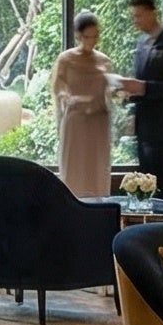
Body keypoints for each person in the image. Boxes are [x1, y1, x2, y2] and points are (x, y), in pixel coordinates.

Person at [118, 0, 163, 203]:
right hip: (144, 127)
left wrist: (144, 88)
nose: (135, 21)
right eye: (133, 16)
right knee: (144, 184)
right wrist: (129, 97)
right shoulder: (141, 44)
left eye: (139, 15)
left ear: (152, 13)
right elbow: (141, 84)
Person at [51, 12, 115, 199]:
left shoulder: (104, 61)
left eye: (95, 36)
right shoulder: (66, 59)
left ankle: (101, 213)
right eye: (88, 37)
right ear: (79, 36)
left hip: (99, 121)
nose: (92, 41)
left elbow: (111, 91)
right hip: (76, 121)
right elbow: (58, 89)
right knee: (73, 170)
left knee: (98, 170)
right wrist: (69, 98)